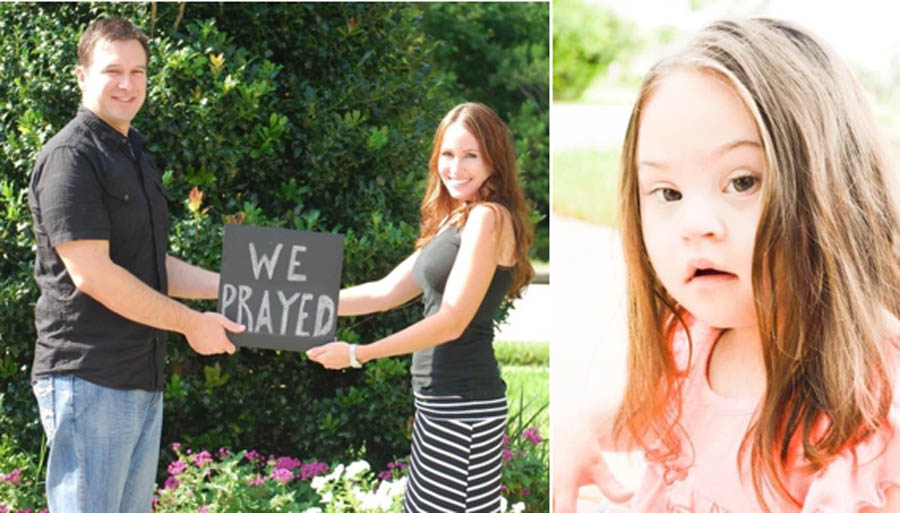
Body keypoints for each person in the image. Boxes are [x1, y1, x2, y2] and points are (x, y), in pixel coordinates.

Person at [552, 17, 900, 513]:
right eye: (667, 192)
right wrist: (578, 427)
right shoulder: (691, 343)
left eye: (741, 182)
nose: (696, 224)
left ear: (831, 186)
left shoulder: (872, 401)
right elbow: (645, 416)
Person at [27, 17, 243, 513]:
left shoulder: (132, 152)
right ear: (82, 77)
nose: (127, 84)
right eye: (112, 71)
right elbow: (94, 274)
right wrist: (191, 324)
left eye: (138, 71)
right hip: (89, 378)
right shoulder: (70, 158)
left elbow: (149, 265)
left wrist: (239, 287)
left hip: (138, 376)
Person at [307, 102, 534, 512]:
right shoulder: (458, 219)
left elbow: (451, 322)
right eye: (448, 154)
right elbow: (383, 292)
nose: (456, 167)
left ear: (494, 160)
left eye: (471, 155)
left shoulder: (488, 218)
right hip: (440, 402)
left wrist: (358, 355)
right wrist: (300, 304)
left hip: (463, 406)